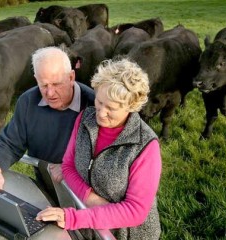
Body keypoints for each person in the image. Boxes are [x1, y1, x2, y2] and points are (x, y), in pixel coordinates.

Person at [36, 58, 162, 239]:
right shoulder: (85, 119)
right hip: (88, 227)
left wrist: (75, 217)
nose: (101, 113)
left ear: (131, 106)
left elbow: (135, 211)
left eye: (111, 108)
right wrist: (89, 200)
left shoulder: (146, 146)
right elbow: (68, 166)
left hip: (126, 234)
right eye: (100, 102)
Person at [0, 46, 95, 194]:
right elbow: (10, 143)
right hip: (46, 184)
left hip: (84, 194)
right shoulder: (28, 101)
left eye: (56, 84)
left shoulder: (94, 105)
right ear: (36, 80)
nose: (50, 93)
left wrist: (71, 167)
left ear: (71, 77)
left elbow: (107, 158)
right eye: (44, 85)